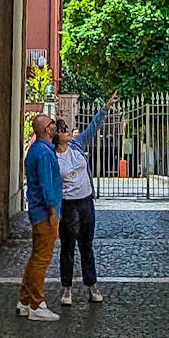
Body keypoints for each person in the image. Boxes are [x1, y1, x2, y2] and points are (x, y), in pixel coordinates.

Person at [54, 97, 117, 306]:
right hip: (68, 204)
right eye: (63, 129)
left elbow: (93, 127)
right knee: (67, 247)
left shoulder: (77, 146)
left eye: (67, 128)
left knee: (86, 245)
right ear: (57, 136)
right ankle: (67, 289)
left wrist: (105, 108)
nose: (69, 131)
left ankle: (92, 285)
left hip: (85, 202)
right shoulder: (52, 157)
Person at [17, 112, 61, 320]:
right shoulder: (44, 153)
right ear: (47, 129)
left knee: (36, 256)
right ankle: (36, 304)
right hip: (44, 213)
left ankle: (25, 300)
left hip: (37, 211)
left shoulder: (37, 150)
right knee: (41, 259)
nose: (55, 126)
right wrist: (53, 211)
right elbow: (46, 185)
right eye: (52, 124)